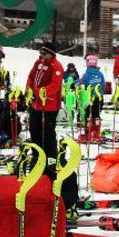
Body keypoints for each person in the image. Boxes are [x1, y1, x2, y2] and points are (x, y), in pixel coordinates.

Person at [26, 45, 78, 215]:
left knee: (47, 134)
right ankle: (36, 156)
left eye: (44, 53)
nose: (41, 55)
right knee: (34, 131)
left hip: (48, 106)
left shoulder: (56, 67)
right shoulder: (38, 63)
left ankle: (49, 158)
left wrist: (42, 92)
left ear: (51, 54)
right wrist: (30, 90)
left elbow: (55, 86)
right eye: (40, 53)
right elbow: (31, 77)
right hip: (36, 104)